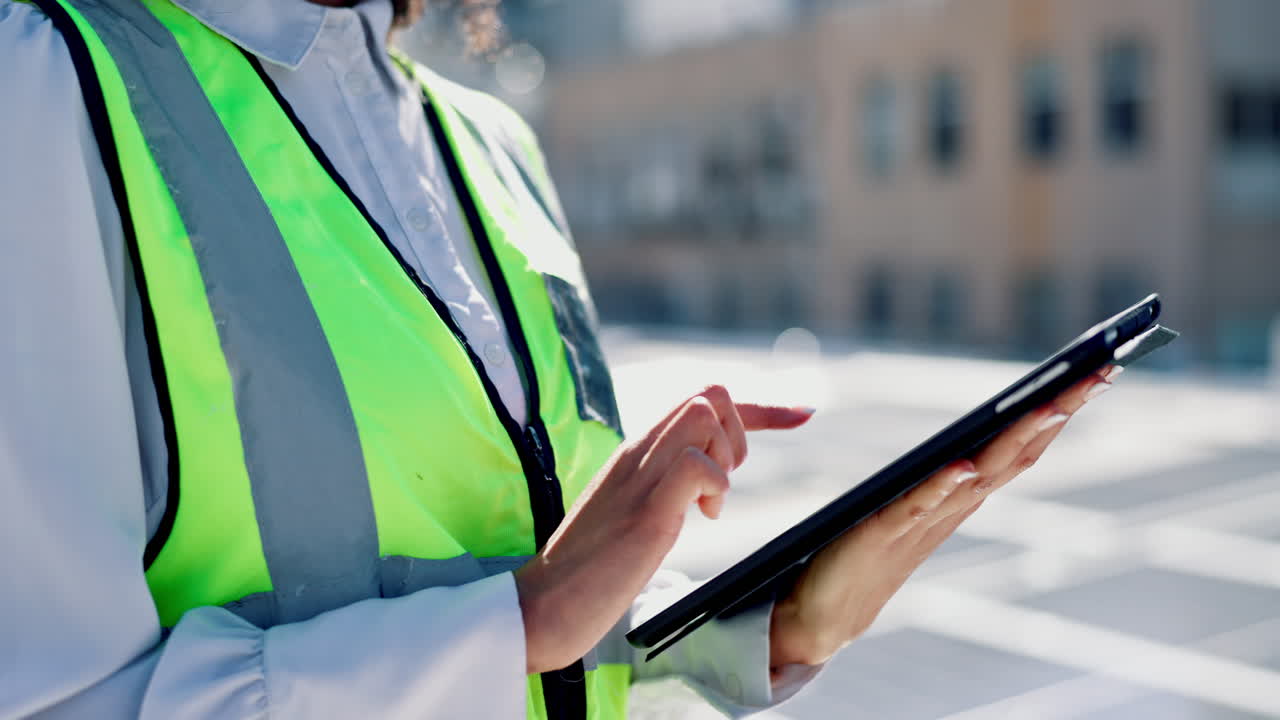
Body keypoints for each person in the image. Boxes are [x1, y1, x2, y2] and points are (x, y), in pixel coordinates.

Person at [0, 0, 1119, 717]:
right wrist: (524, 617)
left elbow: (559, 642)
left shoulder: (490, 146)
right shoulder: (47, 91)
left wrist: (764, 632)